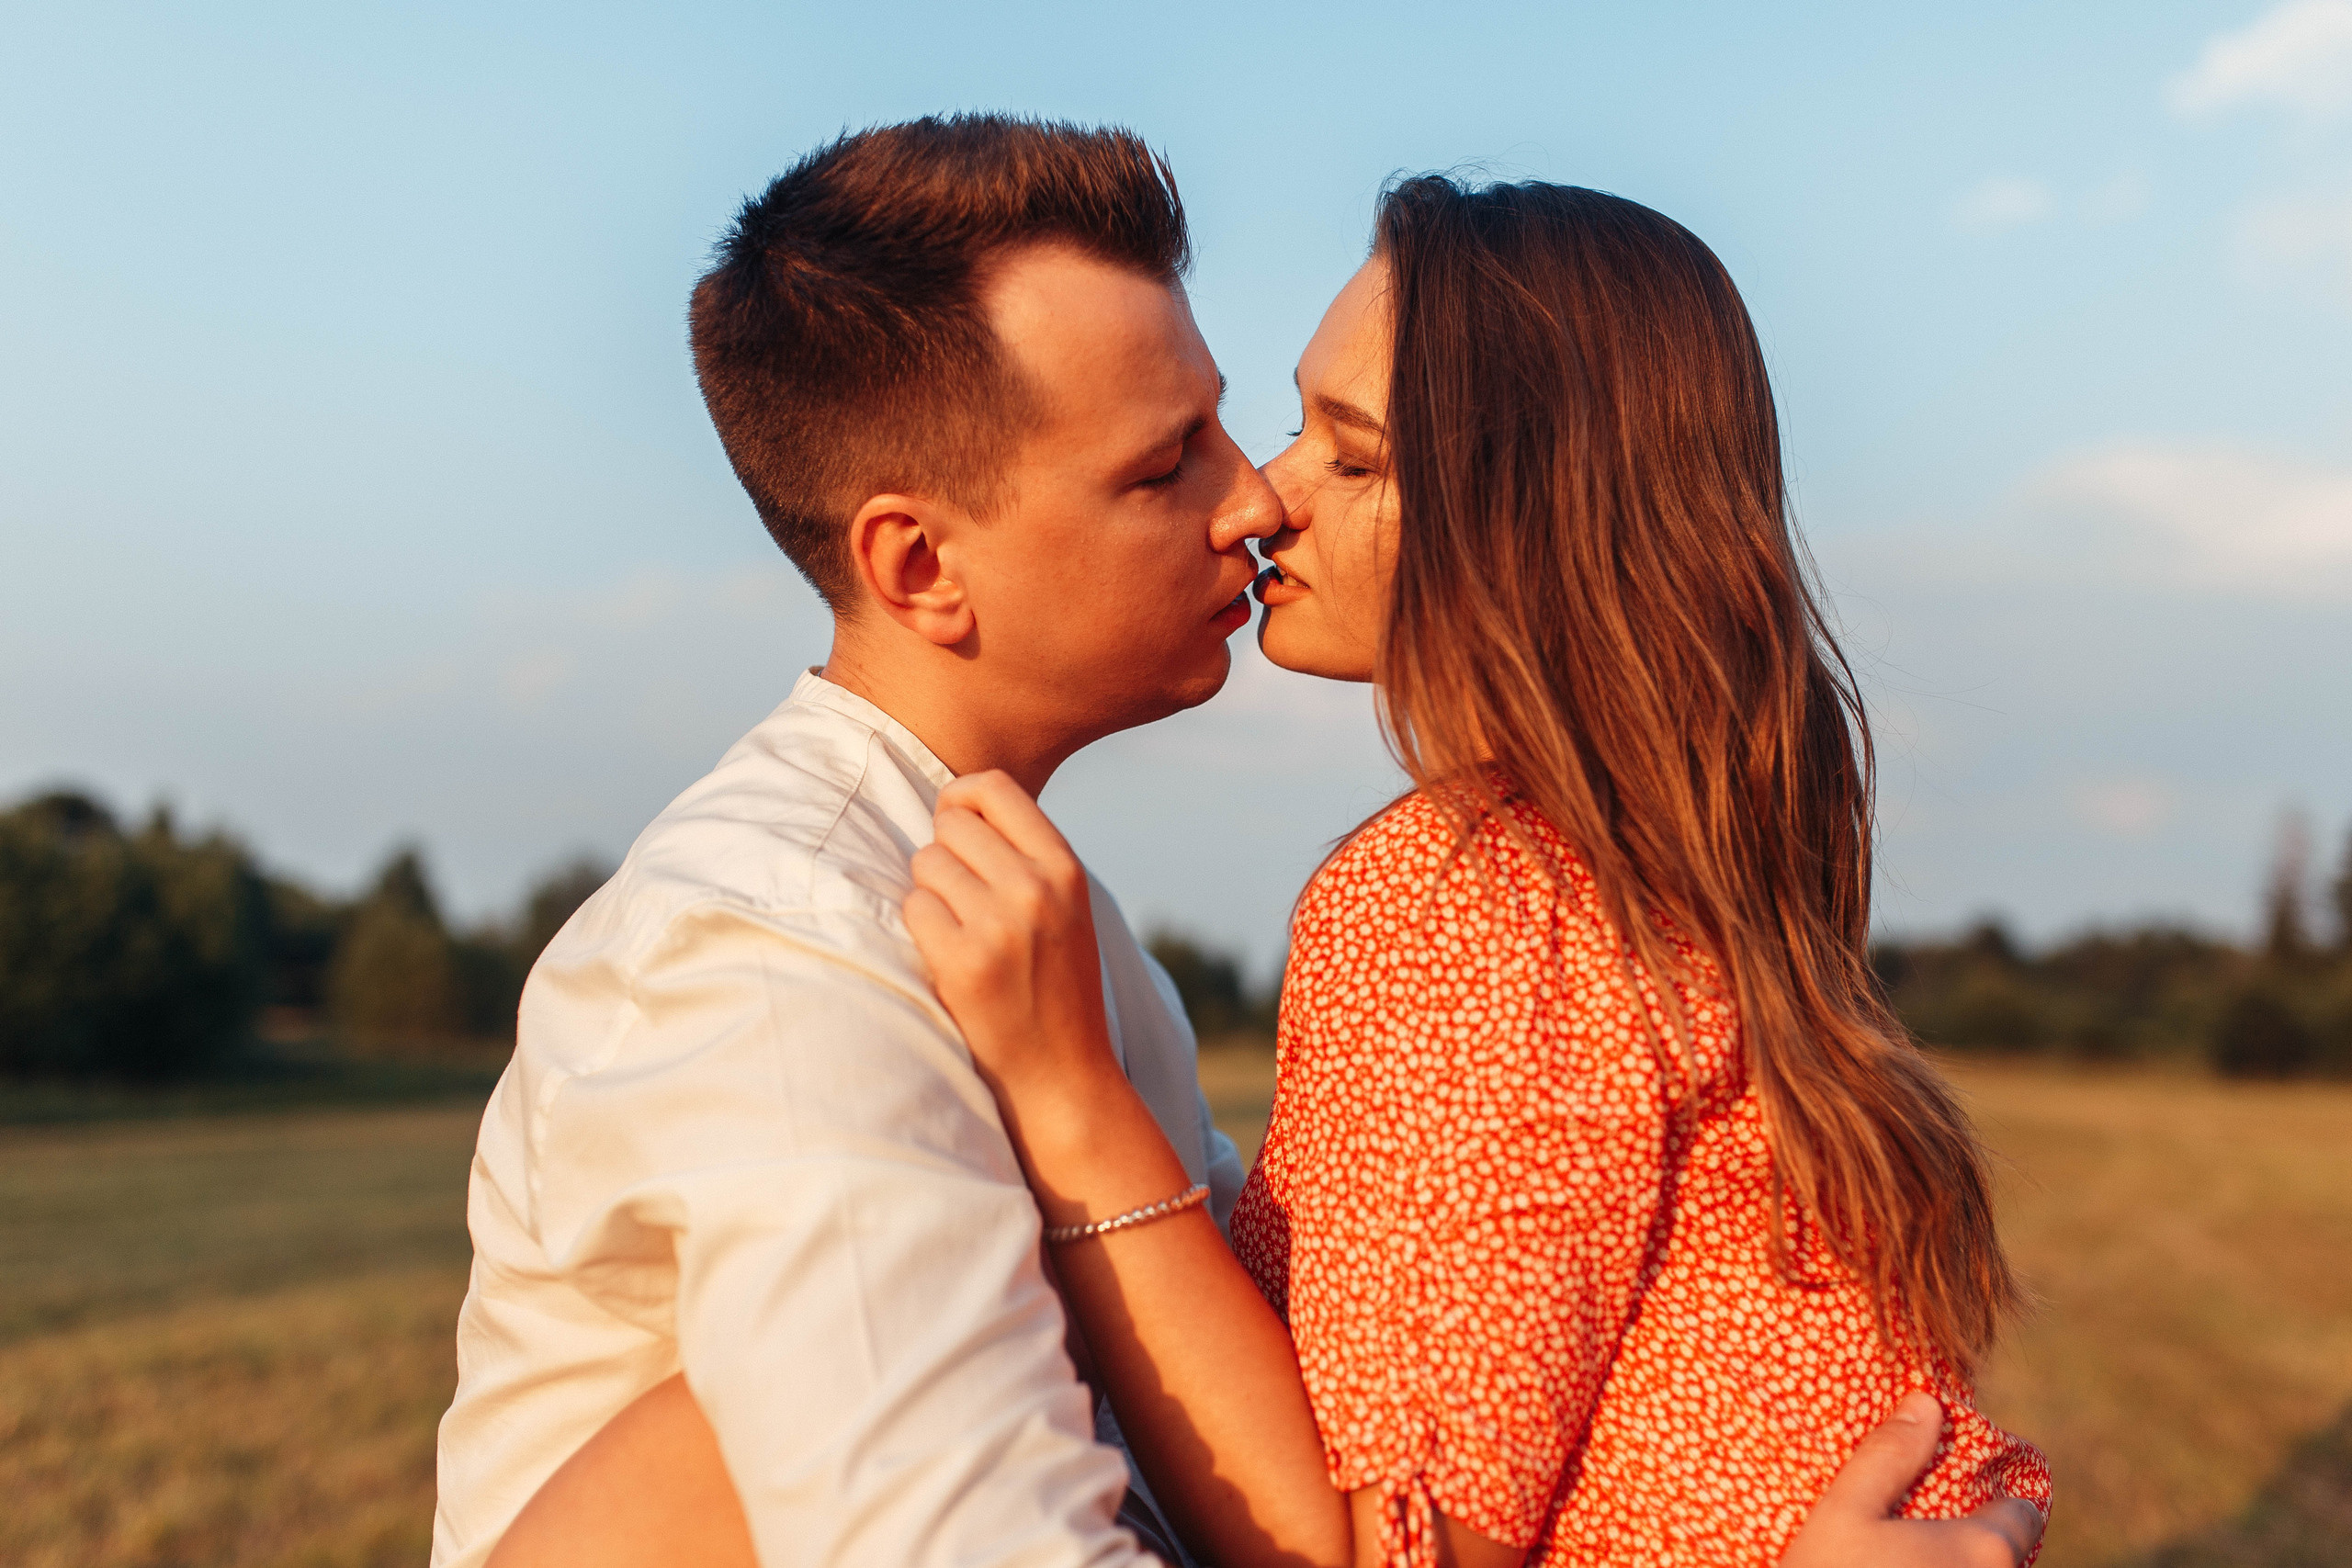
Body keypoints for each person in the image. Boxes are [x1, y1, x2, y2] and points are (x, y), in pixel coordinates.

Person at [452, 120, 2045, 1568]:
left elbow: (1306, 1421)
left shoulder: (1109, 948)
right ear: (922, 562)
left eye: (1291, 440)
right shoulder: (771, 959)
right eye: (1170, 464)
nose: (1255, 502)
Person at [898, 178, 2052, 1566]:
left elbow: (1386, 1554)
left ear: (1534, 520)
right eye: (1299, 426)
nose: (1266, 497)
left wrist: (1070, 1103)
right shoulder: (1653, 879)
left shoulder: (1476, 899)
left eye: (1358, 457)